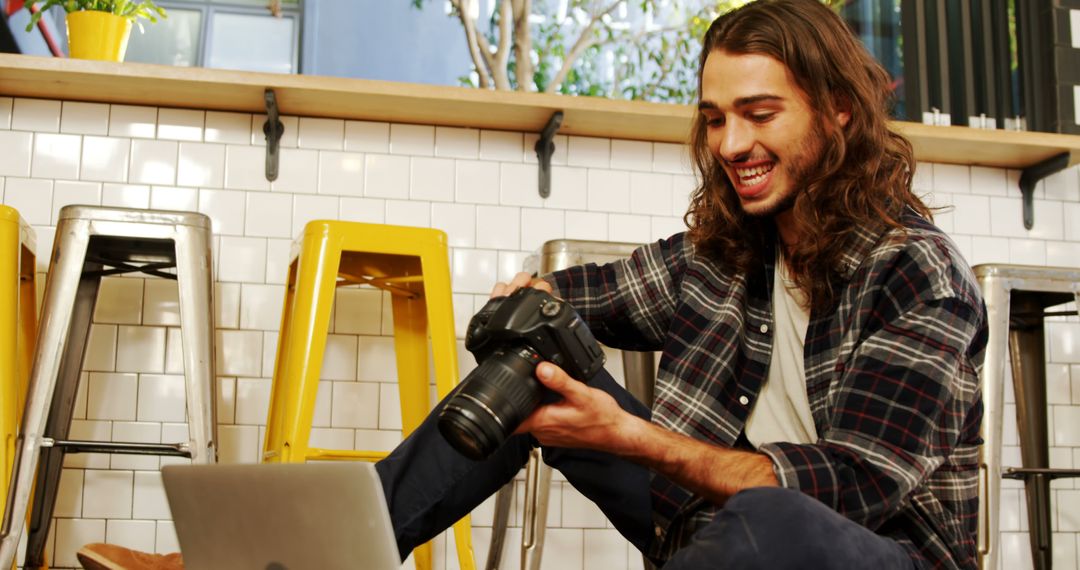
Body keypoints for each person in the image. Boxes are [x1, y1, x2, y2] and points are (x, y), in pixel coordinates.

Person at [77, 0, 986, 568]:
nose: (732, 146)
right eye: (715, 119)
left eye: (760, 114)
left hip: (855, 552)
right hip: (703, 533)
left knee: (772, 519)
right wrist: (529, 309)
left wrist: (638, 439)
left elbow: (855, 490)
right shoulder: (720, 254)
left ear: (836, 113)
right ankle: (252, 568)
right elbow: (571, 298)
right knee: (533, 364)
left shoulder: (915, 272)